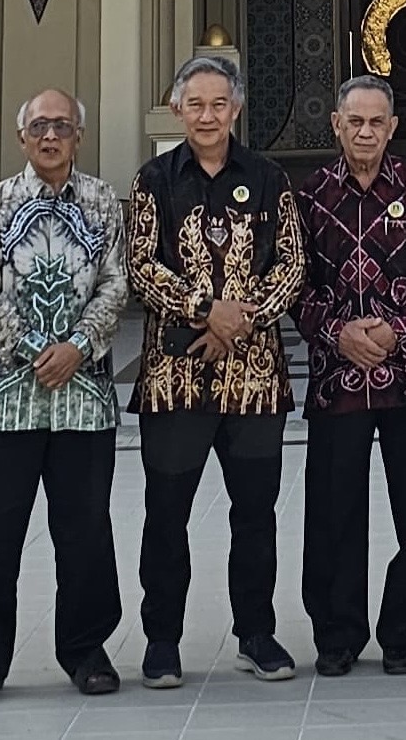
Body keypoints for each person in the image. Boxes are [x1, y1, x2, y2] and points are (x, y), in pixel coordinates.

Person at [126, 52, 306, 689]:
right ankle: (162, 640)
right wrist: (206, 310)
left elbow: (292, 264)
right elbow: (142, 267)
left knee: (255, 514)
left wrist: (243, 320)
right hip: (175, 378)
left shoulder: (268, 176)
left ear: (236, 109)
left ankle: (255, 633)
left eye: (219, 104)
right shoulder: (153, 181)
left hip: (254, 380)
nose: (207, 115)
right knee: (166, 513)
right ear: (178, 108)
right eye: (195, 104)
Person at [0, 89, 130, 705]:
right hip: (2, 403)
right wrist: (34, 350)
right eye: (39, 127)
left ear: (79, 135)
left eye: (62, 126)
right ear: (22, 137)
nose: (51, 136)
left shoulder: (103, 201)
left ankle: (85, 649)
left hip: (83, 400)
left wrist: (78, 344)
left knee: (84, 533)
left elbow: (115, 281)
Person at [294, 74, 406, 679]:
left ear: (393, 126)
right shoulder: (308, 196)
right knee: (334, 513)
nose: (365, 132)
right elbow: (295, 285)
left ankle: (402, 632)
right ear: (336, 124)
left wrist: (392, 332)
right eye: (354, 121)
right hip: (339, 380)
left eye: (376, 122)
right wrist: (340, 335)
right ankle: (337, 634)